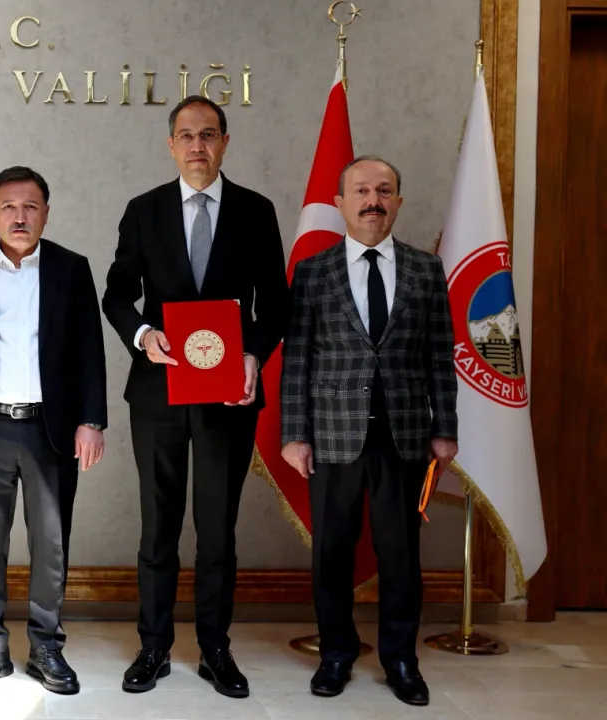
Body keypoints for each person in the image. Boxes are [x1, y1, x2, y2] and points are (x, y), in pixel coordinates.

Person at [102, 96, 290, 698]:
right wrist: (142, 335)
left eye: (208, 134)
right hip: (159, 391)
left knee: (217, 530)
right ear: (171, 145)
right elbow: (116, 295)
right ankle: (153, 646)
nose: (197, 146)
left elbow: (276, 304)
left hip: (228, 394)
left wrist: (253, 353)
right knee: (158, 527)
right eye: (186, 135)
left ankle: (215, 648)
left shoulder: (256, 211)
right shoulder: (144, 211)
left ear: (225, 142)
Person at [280, 155, 457, 707]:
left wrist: (445, 428)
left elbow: (440, 357)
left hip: (404, 436)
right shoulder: (314, 271)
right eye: (361, 191)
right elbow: (298, 359)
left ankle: (401, 660)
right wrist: (294, 433)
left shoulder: (426, 270)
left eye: (383, 191)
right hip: (332, 435)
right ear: (340, 202)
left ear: (397, 202)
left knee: (399, 554)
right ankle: (336, 654)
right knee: (332, 551)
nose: (372, 201)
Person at [0, 166, 107, 694]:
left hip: (51, 430)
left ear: (46, 213)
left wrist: (91, 420)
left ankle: (47, 645)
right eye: (9, 206)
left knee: (51, 542)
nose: (20, 216)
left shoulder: (71, 269)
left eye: (31, 206)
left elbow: (90, 351)